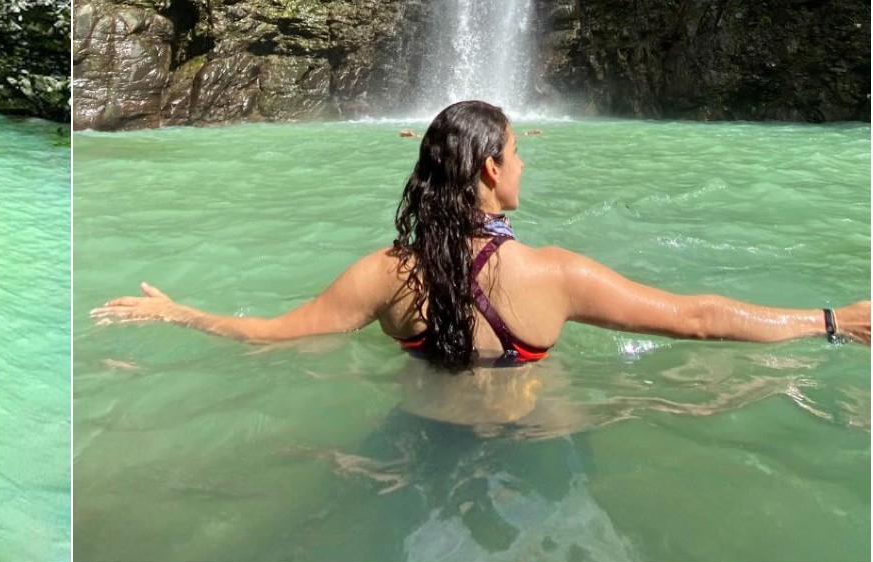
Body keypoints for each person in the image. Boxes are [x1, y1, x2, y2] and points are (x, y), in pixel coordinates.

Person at [93, 99, 871, 366]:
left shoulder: (384, 274)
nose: (525, 162)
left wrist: (181, 312)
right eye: (518, 150)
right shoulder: (554, 275)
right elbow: (698, 320)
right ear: (491, 171)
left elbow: (270, 333)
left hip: (420, 438)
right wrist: (832, 321)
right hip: (529, 441)